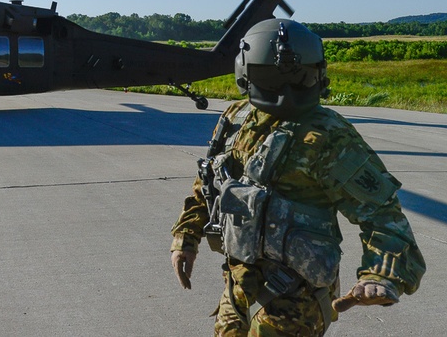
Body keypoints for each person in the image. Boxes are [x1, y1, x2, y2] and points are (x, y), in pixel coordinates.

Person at [170, 19, 425, 336]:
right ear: (245, 74)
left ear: (318, 74)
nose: (288, 91)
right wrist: (186, 237)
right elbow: (210, 184)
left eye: (300, 77)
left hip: (297, 298)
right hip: (238, 282)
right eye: (271, 79)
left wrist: (380, 275)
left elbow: (382, 213)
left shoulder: (327, 136)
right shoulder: (235, 118)